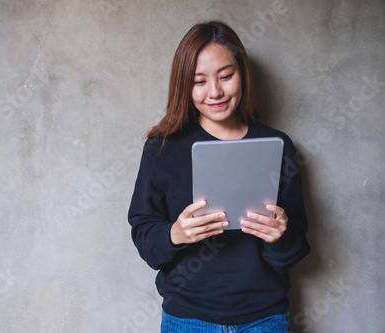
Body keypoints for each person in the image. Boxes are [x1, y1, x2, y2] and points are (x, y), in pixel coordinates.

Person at [127, 21, 310, 332]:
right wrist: (176, 234)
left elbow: (295, 250)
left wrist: (279, 236)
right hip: (187, 319)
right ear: (184, 86)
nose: (215, 92)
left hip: (264, 318)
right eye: (199, 81)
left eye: (226, 76)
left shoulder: (277, 146)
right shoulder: (162, 149)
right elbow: (144, 236)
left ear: (243, 74)